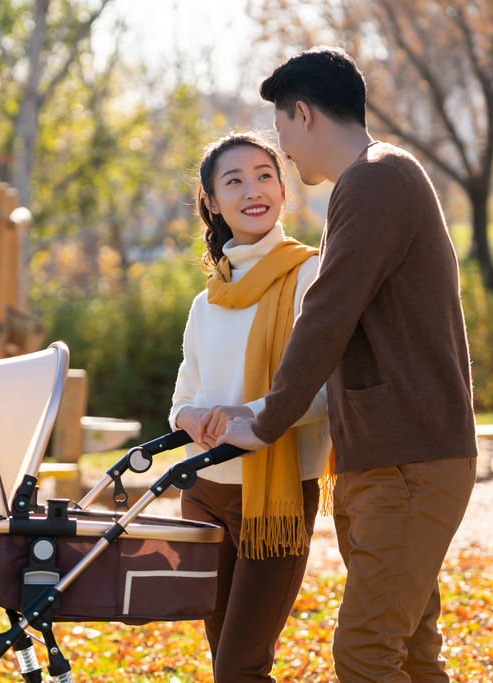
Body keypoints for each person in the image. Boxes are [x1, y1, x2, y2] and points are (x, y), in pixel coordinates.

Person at [214, 47, 479, 683]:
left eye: (282, 134)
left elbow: (327, 314)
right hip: (384, 459)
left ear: (302, 114)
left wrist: (268, 420)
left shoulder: (377, 178)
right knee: (412, 657)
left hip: (410, 462)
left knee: (364, 655)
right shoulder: (370, 183)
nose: (288, 152)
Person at [171, 132, 334, 683]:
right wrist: (191, 418)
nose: (252, 190)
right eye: (233, 181)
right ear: (212, 202)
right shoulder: (207, 298)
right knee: (225, 660)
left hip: (275, 495)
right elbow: (184, 394)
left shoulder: (310, 276)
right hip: (204, 492)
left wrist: (253, 416)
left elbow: (325, 388)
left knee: (240, 666)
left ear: (283, 190)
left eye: (264, 175)